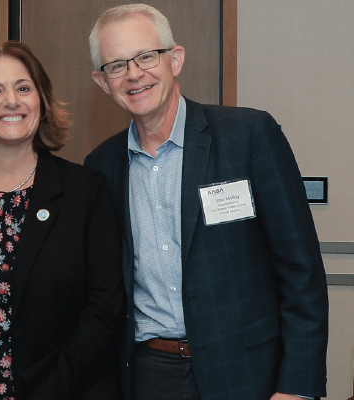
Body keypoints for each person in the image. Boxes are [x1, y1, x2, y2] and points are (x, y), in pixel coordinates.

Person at [84, 4, 329, 400]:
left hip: (249, 372)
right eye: (116, 65)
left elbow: (301, 272)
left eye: (146, 56)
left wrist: (298, 387)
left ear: (175, 59)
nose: (133, 74)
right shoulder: (101, 167)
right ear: (101, 81)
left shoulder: (248, 136)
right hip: (149, 375)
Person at [0, 41, 125, 400]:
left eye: (23, 88)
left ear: (41, 102)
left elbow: (105, 311)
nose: (11, 101)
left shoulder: (85, 191)